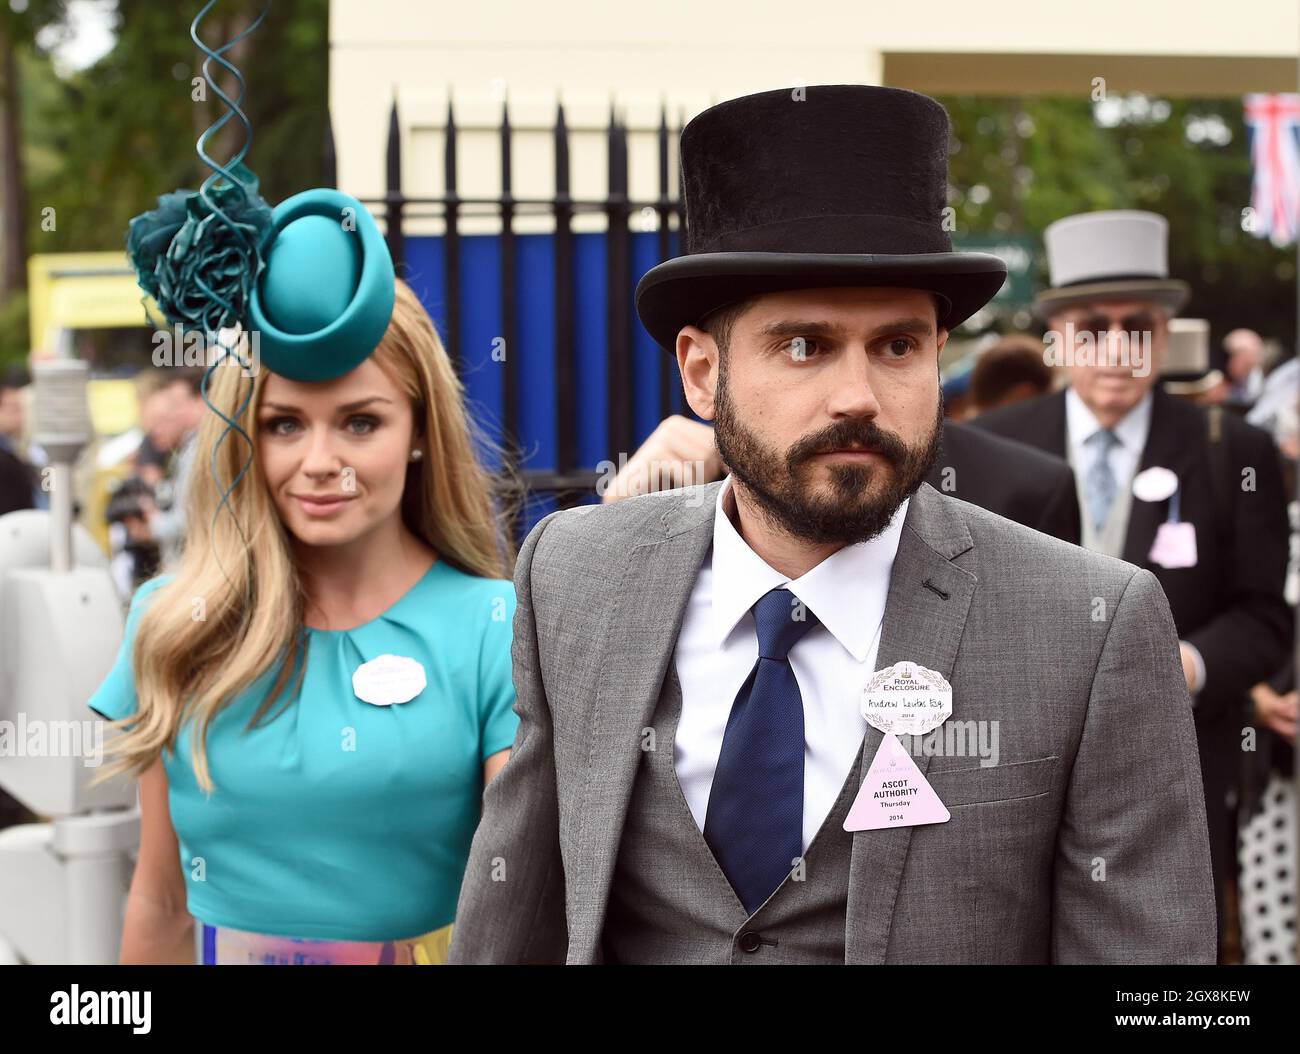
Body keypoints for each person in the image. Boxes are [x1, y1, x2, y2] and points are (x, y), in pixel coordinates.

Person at [449, 85, 1215, 964]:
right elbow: (513, 921)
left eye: (897, 346)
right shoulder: (572, 575)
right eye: (804, 345)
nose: (858, 396)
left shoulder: (1091, 627)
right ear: (702, 375)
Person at [87, 171, 520, 964]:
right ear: (246, 437)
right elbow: (159, 900)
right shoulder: (173, 625)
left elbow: (523, 902)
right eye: (285, 424)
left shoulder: (494, 628)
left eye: (360, 422)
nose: (320, 462)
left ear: (420, 432)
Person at [971, 210, 1291, 955]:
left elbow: (1265, 617)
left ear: (1163, 334)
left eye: (1137, 326)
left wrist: (1189, 664)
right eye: (1092, 326)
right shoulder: (999, 445)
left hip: (1176, 767)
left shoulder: (1229, 448)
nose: (1116, 349)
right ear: (1058, 337)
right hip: (1018, 765)